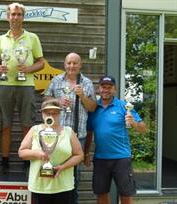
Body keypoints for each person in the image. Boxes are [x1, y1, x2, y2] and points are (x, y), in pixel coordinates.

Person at [0, 2, 44, 175]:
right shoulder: (1, 39)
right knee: (5, 125)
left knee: (27, 125)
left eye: (19, 14)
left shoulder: (33, 38)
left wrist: (28, 69)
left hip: (26, 85)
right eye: (12, 14)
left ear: (23, 17)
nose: (15, 17)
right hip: (5, 85)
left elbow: (41, 62)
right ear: (8, 17)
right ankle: (4, 162)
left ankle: (28, 163)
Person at [43, 52, 97, 203]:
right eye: (69, 63)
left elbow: (92, 107)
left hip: (77, 136)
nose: (72, 66)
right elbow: (46, 101)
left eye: (75, 63)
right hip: (56, 135)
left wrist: (83, 97)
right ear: (64, 65)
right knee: (53, 169)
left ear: (80, 65)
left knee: (74, 176)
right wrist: (58, 101)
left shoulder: (86, 83)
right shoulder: (56, 81)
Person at [85, 76, 147, 204]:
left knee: (126, 195)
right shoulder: (93, 108)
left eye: (109, 87)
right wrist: (86, 153)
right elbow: (89, 132)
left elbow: (143, 128)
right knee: (101, 193)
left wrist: (133, 123)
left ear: (115, 90)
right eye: (103, 87)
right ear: (99, 89)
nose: (106, 90)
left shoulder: (124, 106)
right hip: (101, 158)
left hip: (121, 158)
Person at [18, 99, 83, 204]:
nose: (51, 116)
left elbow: (79, 155)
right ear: (42, 114)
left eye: (55, 113)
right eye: (48, 113)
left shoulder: (68, 131)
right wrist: (39, 154)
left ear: (60, 114)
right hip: (40, 186)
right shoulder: (35, 130)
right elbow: (22, 152)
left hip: (63, 185)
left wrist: (63, 167)